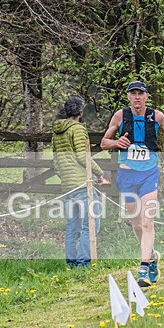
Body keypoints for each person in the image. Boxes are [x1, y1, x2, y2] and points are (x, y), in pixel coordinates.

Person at [101, 81, 164, 286]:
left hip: (149, 174)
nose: (137, 97)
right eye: (133, 94)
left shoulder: (157, 116)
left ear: (146, 96)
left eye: (140, 94)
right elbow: (103, 142)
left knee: (147, 221)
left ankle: (143, 268)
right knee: (135, 223)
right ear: (128, 96)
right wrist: (116, 143)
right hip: (127, 176)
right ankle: (151, 255)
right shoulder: (120, 116)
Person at [51, 95, 108, 268]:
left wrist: (66, 179)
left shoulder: (56, 133)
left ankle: (71, 264)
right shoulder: (78, 129)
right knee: (90, 225)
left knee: (72, 227)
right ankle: (83, 263)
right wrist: (100, 174)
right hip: (83, 185)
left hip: (67, 186)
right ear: (81, 112)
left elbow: (56, 164)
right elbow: (83, 157)